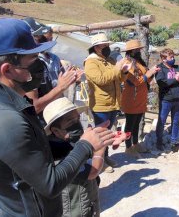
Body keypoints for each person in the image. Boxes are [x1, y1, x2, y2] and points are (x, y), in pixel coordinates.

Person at [0, 18, 117, 216]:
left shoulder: (10, 103)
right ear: (8, 70)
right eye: (33, 59)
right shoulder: (3, 120)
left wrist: (88, 141)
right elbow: (50, 184)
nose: (41, 65)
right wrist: (86, 146)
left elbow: (36, 150)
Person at [43, 98, 127, 217]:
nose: (77, 124)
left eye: (77, 119)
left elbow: (88, 147)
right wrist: (101, 148)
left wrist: (109, 137)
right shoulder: (57, 155)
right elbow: (92, 171)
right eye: (71, 122)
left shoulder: (71, 140)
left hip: (89, 200)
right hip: (76, 210)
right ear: (56, 131)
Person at [84, 33, 131, 172]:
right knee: (100, 134)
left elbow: (118, 79)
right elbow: (101, 80)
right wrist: (117, 68)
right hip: (101, 104)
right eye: (104, 46)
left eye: (107, 45)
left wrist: (123, 72)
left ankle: (105, 156)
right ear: (96, 47)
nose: (107, 47)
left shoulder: (109, 60)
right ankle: (99, 161)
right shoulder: (90, 62)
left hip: (113, 102)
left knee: (108, 132)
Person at [22, 17, 81, 119]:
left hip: (54, 111)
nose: (48, 42)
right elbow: (34, 107)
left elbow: (59, 82)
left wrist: (70, 80)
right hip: (41, 117)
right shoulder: (28, 66)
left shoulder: (53, 59)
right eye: (38, 37)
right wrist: (60, 87)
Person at [121, 40, 159, 158]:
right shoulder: (127, 63)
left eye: (139, 49)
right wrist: (148, 74)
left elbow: (145, 78)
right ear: (131, 51)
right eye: (137, 49)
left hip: (140, 98)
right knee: (130, 124)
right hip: (131, 98)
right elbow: (133, 82)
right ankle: (128, 147)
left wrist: (152, 72)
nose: (139, 51)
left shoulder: (138, 62)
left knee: (137, 123)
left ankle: (136, 144)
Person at [155, 48, 179, 152]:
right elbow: (162, 83)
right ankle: (158, 142)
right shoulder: (160, 69)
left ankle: (174, 142)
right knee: (162, 121)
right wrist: (175, 79)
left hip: (178, 99)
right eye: (170, 57)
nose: (173, 59)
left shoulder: (177, 67)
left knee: (176, 121)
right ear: (164, 59)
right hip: (166, 99)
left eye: (173, 57)